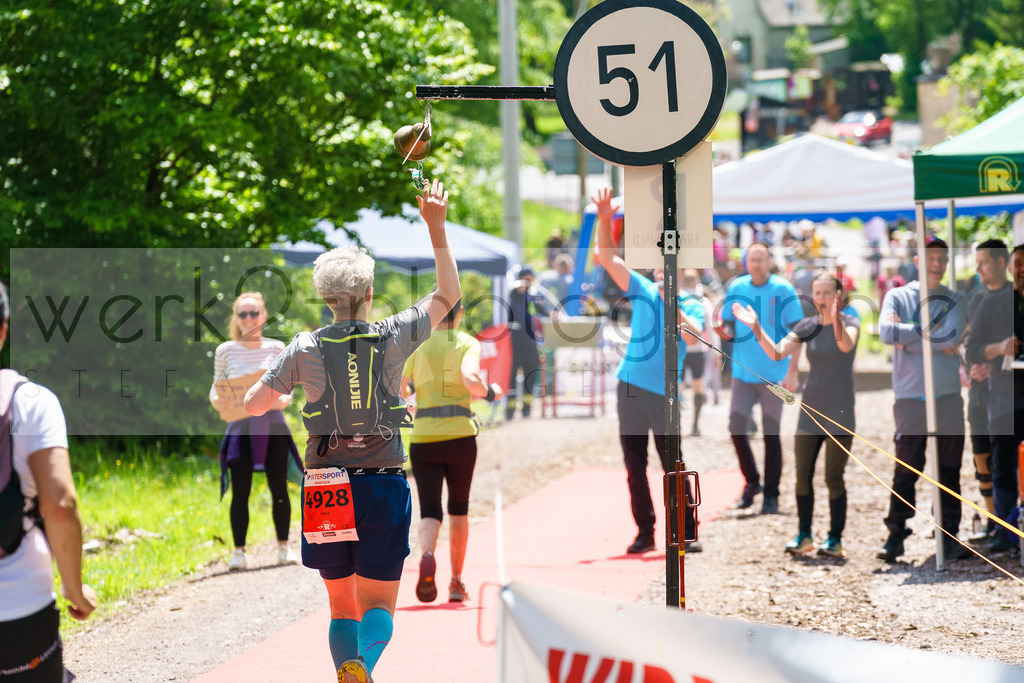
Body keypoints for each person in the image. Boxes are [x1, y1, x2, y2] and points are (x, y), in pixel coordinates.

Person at [245, 179, 459, 683]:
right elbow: (447, 294)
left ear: (324, 299)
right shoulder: (392, 334)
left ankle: (347, 667)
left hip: (324, 484)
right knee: (380, 603)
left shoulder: (302, 346)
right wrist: (436, 226)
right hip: (382, 482)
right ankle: (362, 667)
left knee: (342, 607)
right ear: (368, 294)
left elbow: (254, 404)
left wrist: (281, 393)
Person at [592, 188, 704, 555]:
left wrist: (671, 297)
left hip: (665, 392)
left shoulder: (692, 303)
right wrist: (605, 218)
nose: (661, 269)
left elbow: (694, 332)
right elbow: (606, 257)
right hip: (630, 387)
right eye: (658, 264)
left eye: (668, 264)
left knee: (673, 463)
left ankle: (686, 530)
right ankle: (646, 531)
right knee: (634, 465)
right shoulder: (642, 288)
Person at [0, 281, 98, 681]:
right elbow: (59, 505)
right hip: (16, 609)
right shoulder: (28, 401)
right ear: (4, 327)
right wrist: (74, 590)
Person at [733, 273, 859, 557]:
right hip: (812, 409)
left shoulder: (850, 323)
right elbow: (777, 352)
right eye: (818, 292)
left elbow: (844, 346)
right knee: (803, 475)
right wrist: (756, 327)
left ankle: (835, 539)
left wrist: (836, 316)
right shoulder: (807, 326)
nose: (822, 298)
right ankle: (805, 534)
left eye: (828, 292)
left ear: (838, 296)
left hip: (841, 410)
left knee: (833, 476)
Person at [399, 300, 500, 604]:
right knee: (459, 508)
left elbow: (402, 390)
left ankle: (428, 554)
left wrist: (417, 386)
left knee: (430, 509)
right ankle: (456, 581)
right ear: (459, 314)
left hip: (424, 436)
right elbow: (471, 380)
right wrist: (491, 391)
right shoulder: (466, 342)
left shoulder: (417, 346)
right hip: (459, 436)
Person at [877, 237, 969, 563]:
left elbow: (954, 335)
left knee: (948, 468)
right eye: (931, 256)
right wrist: (931, 331)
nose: (937, 262)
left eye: (942, 257)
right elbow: (886, 334)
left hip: (946, 396)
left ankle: (948, 535)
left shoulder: (956, 298)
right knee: (906, 466)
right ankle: (896, 533)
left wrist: (910, 337)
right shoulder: (898, 296)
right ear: (918, 259)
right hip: (910, 396)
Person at [210, 291, 301, 571]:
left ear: (263, 315)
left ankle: (284, 548)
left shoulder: (276, 347)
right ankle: (239, 553)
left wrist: (283, 400)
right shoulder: (225, 350)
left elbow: (288, 391)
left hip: (272, 425)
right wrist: (218, 401)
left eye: (254, 313)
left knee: (279, 487)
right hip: (239, 427)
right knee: (240, 491)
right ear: (236, 319)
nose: (248, 319)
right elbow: (216, 389)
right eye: (243, 314)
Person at [714, 241, 803, 514]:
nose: (756, 264)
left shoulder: (783, 289)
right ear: (746, 263)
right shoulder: (737, 288)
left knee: (771, 435)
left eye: (760, 259)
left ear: (769, 261)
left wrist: (792, 371)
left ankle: (772, 495)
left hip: (774, 376)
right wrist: (722, 330)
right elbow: (727, 322)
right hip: (743, 372)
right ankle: (753, 482)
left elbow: (798, 331)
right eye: (751, 260)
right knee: (736, 430)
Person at [966, 243, 1023, 556]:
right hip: (1002, 397)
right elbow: (972, 349)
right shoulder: (987, 302)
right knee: (1000, 466)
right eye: (1019, 264)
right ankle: (1004, 531)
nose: (1022, 270)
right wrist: (998, 349)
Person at [505, 264, 554, 421]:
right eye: (526, 280)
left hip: (529, 343)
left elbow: (544, 309)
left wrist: (554, 314)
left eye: (531, 280)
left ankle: (526, 409)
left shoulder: (531, 297)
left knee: (531, 373)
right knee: (511, 376)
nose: (529, 283)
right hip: (513, 344)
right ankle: (510, 411)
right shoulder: (510, 295)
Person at [680, 270, 710, 436]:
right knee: (698, 387)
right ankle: (695, 425)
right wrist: (716, 353)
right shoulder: (703, 301)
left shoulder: (677, 300)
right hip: (698, 350)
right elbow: (711, 329)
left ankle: (677, 424)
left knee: (679, 387)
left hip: (681, 349)